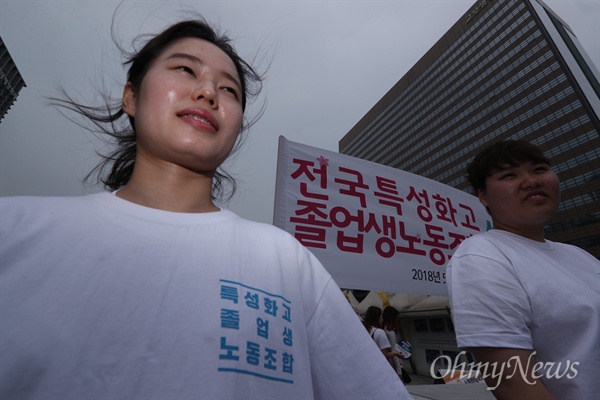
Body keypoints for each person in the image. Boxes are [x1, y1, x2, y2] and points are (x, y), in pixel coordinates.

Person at [0, 17, 412, 400]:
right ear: (131, 95)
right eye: (184, 70)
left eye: (229, 89)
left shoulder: (284, 261)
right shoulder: (15, 230)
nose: (208, 92)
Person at [446, 140, 600, 399]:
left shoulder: (580, 256)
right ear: (483, 196)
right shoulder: (481, 255)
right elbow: (513, 383)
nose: (531, 181)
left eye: (539, 169)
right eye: (509, 175)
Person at [363, 306, 403, 372]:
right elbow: (386, 354)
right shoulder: (379, 332)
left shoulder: (366, 331)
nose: (382, 319)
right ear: (377, 318)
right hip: (380, 366)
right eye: (381, 316)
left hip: (369, 365)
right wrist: (396, 354)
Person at [382, 306, 408, 383]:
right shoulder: (390, 331)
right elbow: (394, 350)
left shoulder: (384, 329)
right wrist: (399, 371)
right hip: (392, 362)